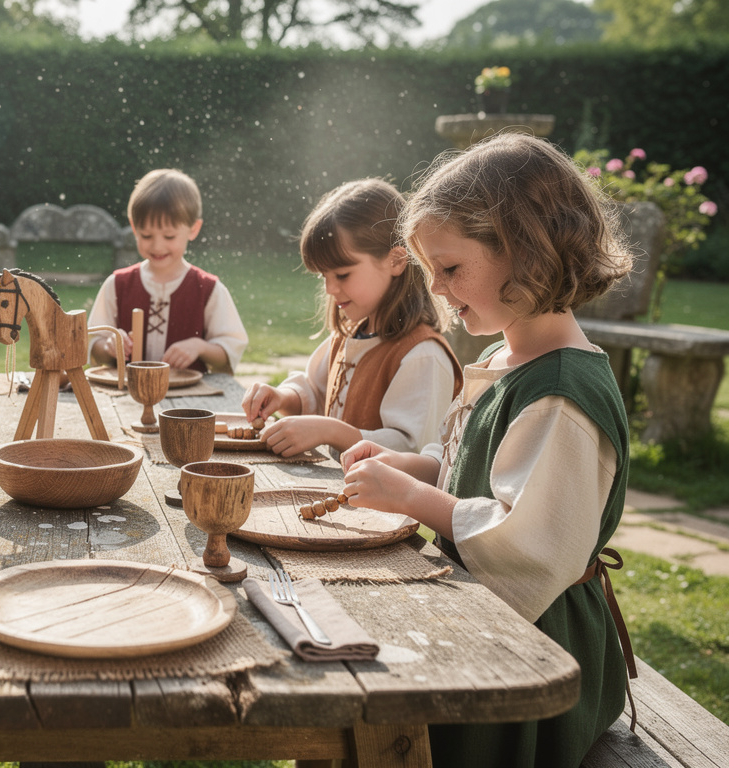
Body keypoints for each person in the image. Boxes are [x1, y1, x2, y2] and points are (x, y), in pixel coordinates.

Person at [340, 133, 636, 767]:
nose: (440, 290)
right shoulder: (507, 356)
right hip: (487, 609)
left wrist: (414, 498)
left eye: (452, 269)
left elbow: (528, 546)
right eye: (431, 272)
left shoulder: (561, 392)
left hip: (536, 652)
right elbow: (477, 474)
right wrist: (409, 466)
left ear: (528, 253)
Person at [241, 178, 462, 457]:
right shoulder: (350, 336)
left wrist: (330, 431)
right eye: (324, 276)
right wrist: (283, 398)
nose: (330, 289)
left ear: (396, 261)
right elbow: (317, 391)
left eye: (342, 274)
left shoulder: (422, 356)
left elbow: (414, 449)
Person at [88, 168, 247, 373]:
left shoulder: (208, 289)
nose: (157, 246)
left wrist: (199, 347)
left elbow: (228, 354)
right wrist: (110, 345)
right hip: (127, 395)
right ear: (134, 228)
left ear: (193, 229)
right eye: (146, 235)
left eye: (169, 236)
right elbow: (95, 347)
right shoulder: (117, 285)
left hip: (188, 398)